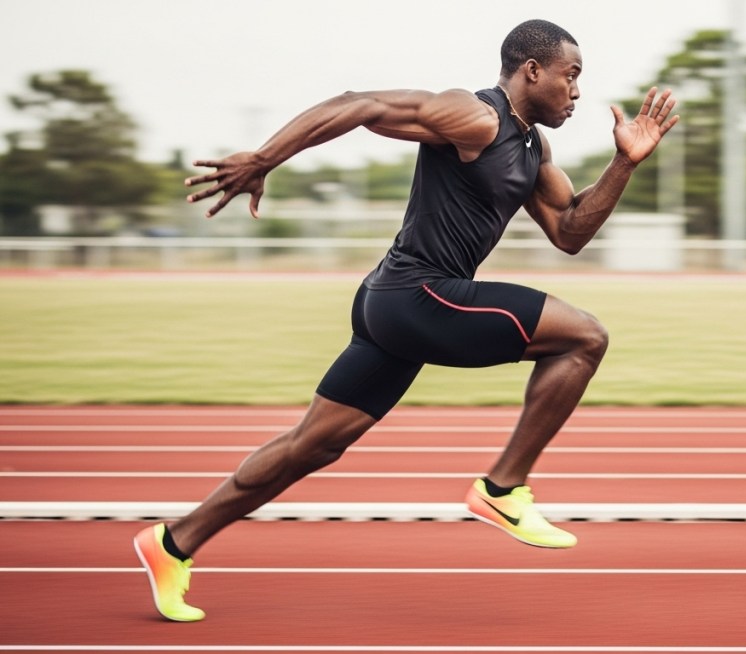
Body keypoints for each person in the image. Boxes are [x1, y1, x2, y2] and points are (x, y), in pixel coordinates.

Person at [132, 19, 678, 622]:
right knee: (584, 337)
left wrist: (624, 163)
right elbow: (358, 105)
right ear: (532, 71)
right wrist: (264, 159)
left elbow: (571, 231)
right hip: (416, 293)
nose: (576, 92)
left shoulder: (531, 148)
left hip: (397, 305)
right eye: (571, 77)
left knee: (311, 446)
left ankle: (173, 543)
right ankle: (501, 490)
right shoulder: (476, 117)